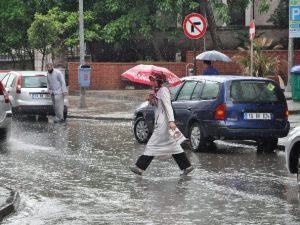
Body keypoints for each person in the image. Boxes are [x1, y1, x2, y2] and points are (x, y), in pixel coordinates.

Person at [130, 72, 194, 176]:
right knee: (174, 145)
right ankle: (187, 166)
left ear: (159, 81)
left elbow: (168, 106)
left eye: (154, 80)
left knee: (151, 145)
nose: (152, 82)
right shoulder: (158, 91)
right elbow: (158, 106)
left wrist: (171, 121)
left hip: (164, 124)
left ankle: (140, 167)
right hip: (162, 123)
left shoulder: (163, 90)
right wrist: (152, 100)